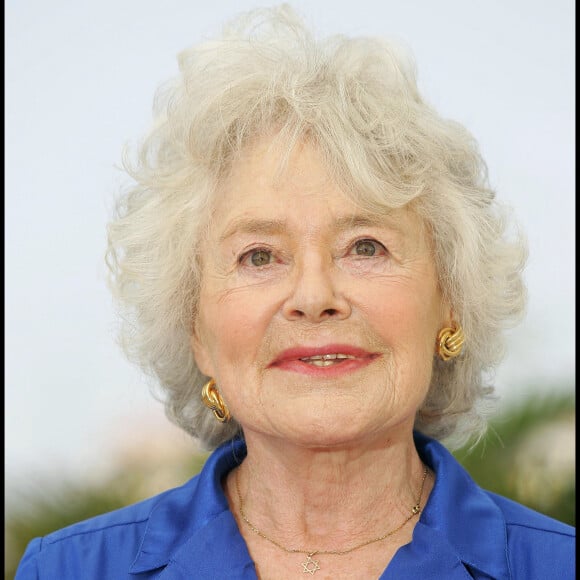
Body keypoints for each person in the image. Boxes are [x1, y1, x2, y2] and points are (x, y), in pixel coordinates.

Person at [15, 5, 574, 579]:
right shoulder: (67, 569)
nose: (313, 295)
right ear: (194, 330)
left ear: (450, 301)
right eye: (259, 256)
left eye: (365, 247)